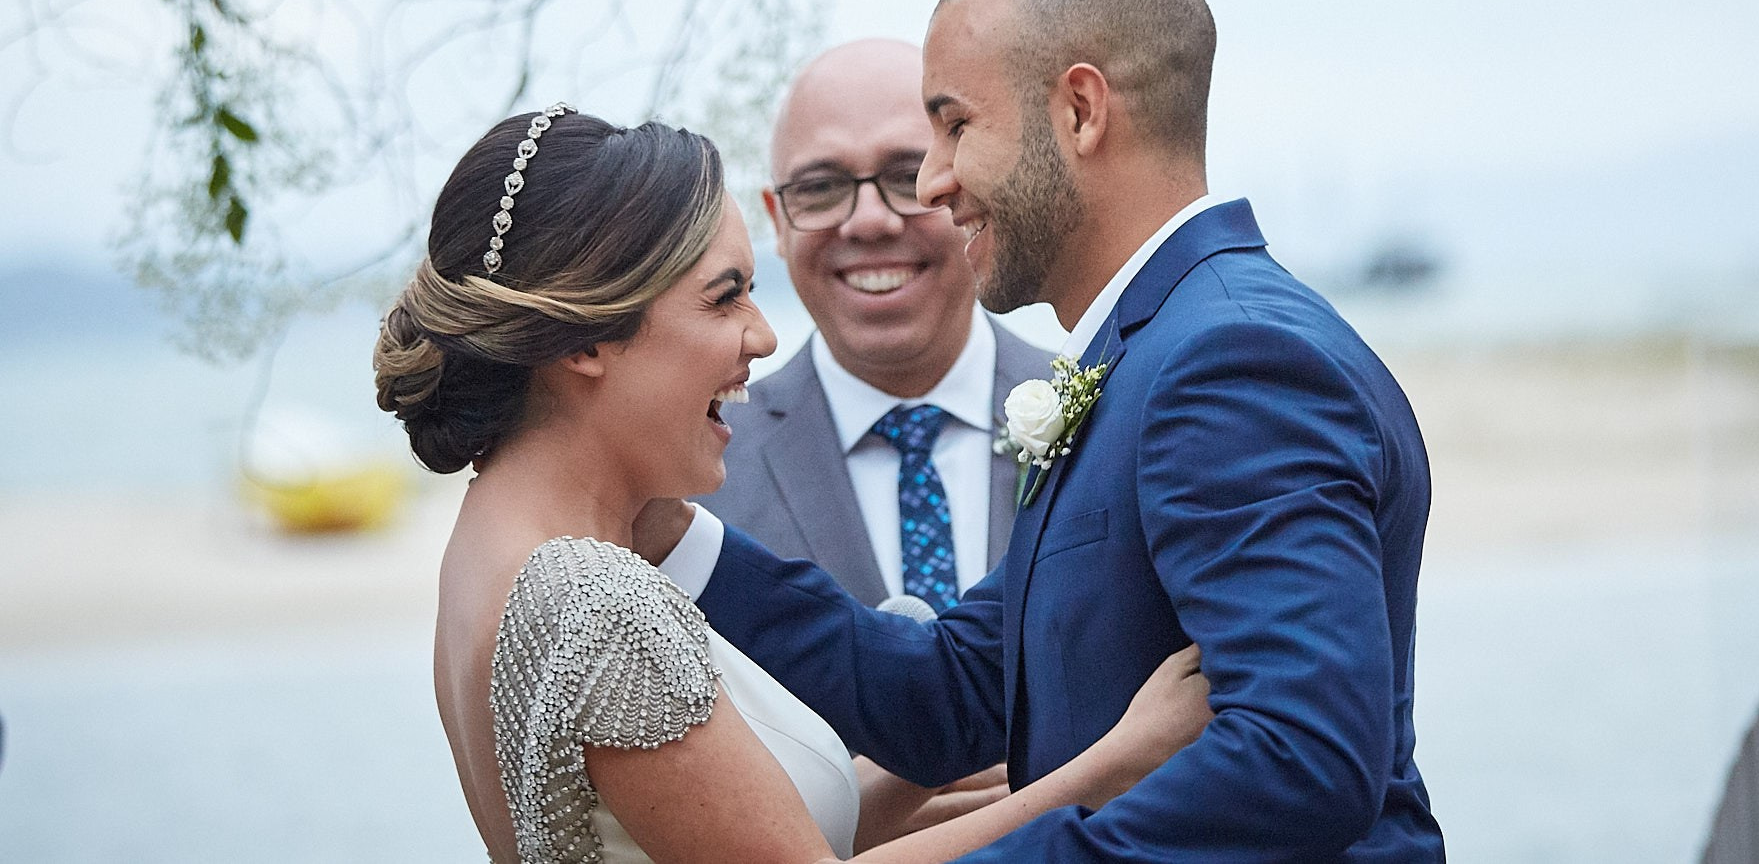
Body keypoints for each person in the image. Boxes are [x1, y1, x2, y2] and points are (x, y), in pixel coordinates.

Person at [649, 0, 1446, 860]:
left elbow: (1299, 759)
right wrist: (669, 532)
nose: (933, 181)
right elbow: (952, 694)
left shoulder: (1231, 360)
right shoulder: (1146, 351)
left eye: (955, 126)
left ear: (1080, 111)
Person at [372, 106, 1210, 864]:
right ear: (584, 337)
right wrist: (1112, 766)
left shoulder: (487, 550)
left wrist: (933, 748)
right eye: (724, 298)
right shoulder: (596, 600)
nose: (764, 336)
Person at [704, 38, 1051, 608]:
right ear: (778, 221)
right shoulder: (696, 478)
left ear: (972, 194)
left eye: (907, 176)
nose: (869, 222)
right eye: (820, 188)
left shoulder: (1110, 418)